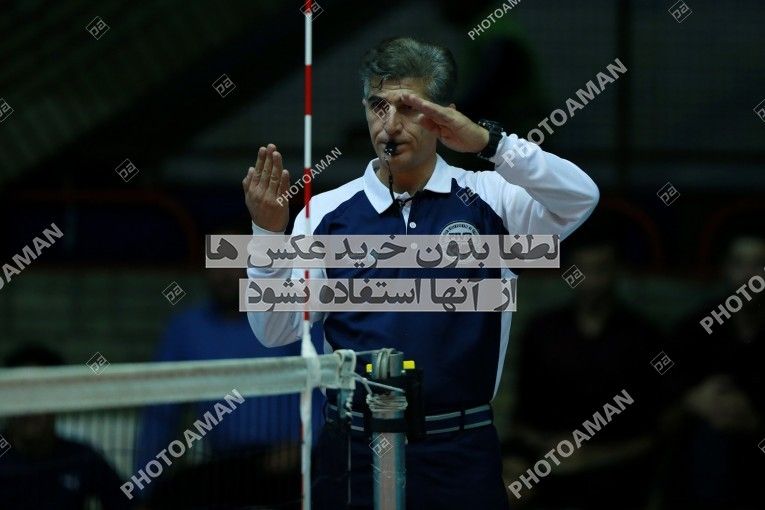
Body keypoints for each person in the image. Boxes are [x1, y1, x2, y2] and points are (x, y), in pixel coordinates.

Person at [242, 37, 599, 509]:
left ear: (445, 116)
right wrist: (267, 237)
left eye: (409, 108)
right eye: (378, 106)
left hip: (459, 451)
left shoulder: (492, 198)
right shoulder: (324, 213)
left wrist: (491, 143)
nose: (390, 125)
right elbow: (273, 330)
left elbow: (581, 197)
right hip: (352, 449)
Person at [134, 253, 321, 509]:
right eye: (217, 264)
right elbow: (160, 413)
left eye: (234, 264)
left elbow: (324, 386)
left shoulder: (288, 317)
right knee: (169, 497)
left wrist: (304, 443)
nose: (224, 274)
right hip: (226, 466)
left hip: (293, 462)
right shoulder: (186, 329)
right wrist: (142, 487)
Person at [505, 237, 666, 509]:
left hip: (614, 465)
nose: (591, 280)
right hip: (545, 456)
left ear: (616, 272)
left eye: (601, 269)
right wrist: (537, 454)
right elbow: (522, 414)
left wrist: (590, 457)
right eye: (581, 269)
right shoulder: (543, 331)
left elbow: (653, 429)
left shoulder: (643, 337)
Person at [659, 234, 765, 510]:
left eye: (758, 264)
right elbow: (658, 382)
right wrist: (692, 399)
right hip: (700, 453)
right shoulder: (697, 328)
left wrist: (753, 420)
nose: (749, 275)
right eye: (739, 264)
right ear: (726, 269)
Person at [0, 344, 132, 510]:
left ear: (59, 400)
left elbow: (128, 503)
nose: (29, 407)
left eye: (39, 394)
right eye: (20, 394)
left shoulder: (81, 458)